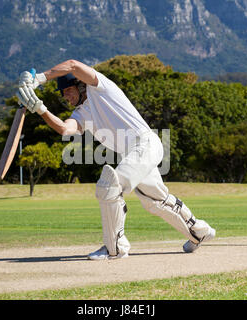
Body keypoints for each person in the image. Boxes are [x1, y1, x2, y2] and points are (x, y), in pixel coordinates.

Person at [16, 59, 215, 260]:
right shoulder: (81, 113)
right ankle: (199, 231)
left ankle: (115, 248)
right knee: (156, 201)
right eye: (63, 93)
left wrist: (39, 78)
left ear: (80, 84)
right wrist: (40, 109)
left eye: (67, 89)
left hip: (145, 144)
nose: (65, 96)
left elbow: (74, 65)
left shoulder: (100, 88)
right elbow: (64, 129)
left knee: (109, 186)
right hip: (134, 153)